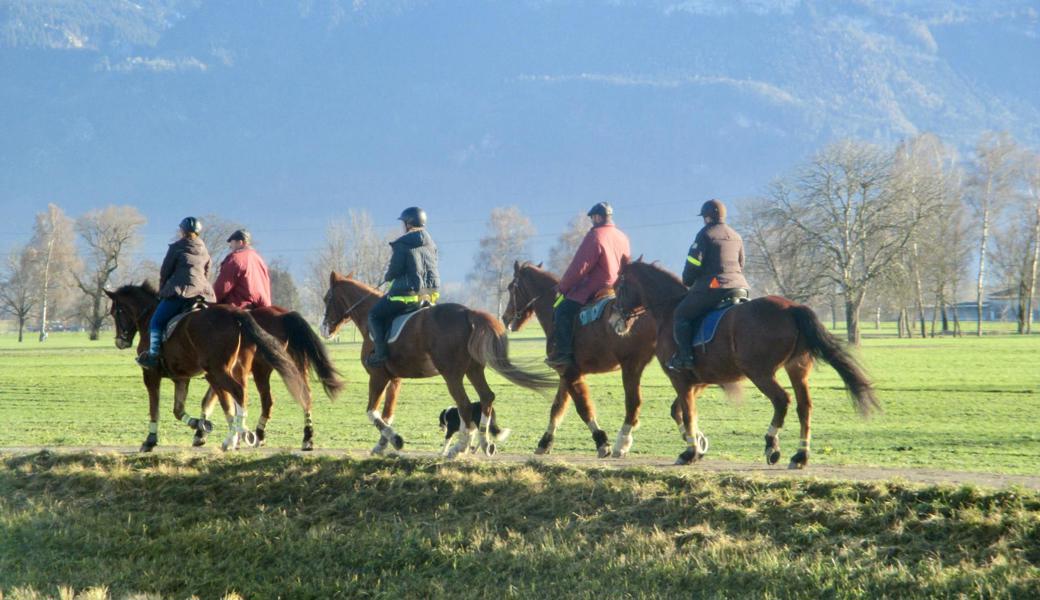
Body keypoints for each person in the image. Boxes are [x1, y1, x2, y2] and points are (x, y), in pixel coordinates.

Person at [545, 202, 631, 368]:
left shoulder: (595, 236)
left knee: (563, 311)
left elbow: (580, 267)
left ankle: (563, 355)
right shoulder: (623, 237)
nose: (592, 221)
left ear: (598, 217)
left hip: (596, 287)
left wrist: (563, 288)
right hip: (617, 287)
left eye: (592, 218)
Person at [668, 199, 749, 371]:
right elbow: (741, 263)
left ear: (707, 217)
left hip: (714, 287)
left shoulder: (705, 234)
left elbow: (693, 262)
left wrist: (688, 281)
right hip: (740, 286)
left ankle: (686, 357)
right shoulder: (736, 235)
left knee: (681, 315)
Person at [137, 217, 217, 369]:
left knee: (156, 322)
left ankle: (153, 355)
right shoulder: (205, 250)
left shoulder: (176, 248)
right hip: (203, 294)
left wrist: (162, 291)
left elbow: (165, 272)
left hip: (181, 292)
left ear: (183, 231)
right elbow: (207, 272)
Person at [365, 206, 440, 367]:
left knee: (374, 315)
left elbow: (395, 270)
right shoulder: (431, 244)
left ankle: (380, 353)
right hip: (429, 295)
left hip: (406, 296)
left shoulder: (402, 244)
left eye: (403, 223)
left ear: (408, 223)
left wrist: (388, 276)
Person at [213, 229, 272, 309]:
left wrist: (212, 299)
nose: (230, 247)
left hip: (239, 305)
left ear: (240, 242)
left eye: (232, 243)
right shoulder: (260, 260)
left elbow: (223, 286)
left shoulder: (235, 258)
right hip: (261, 306)